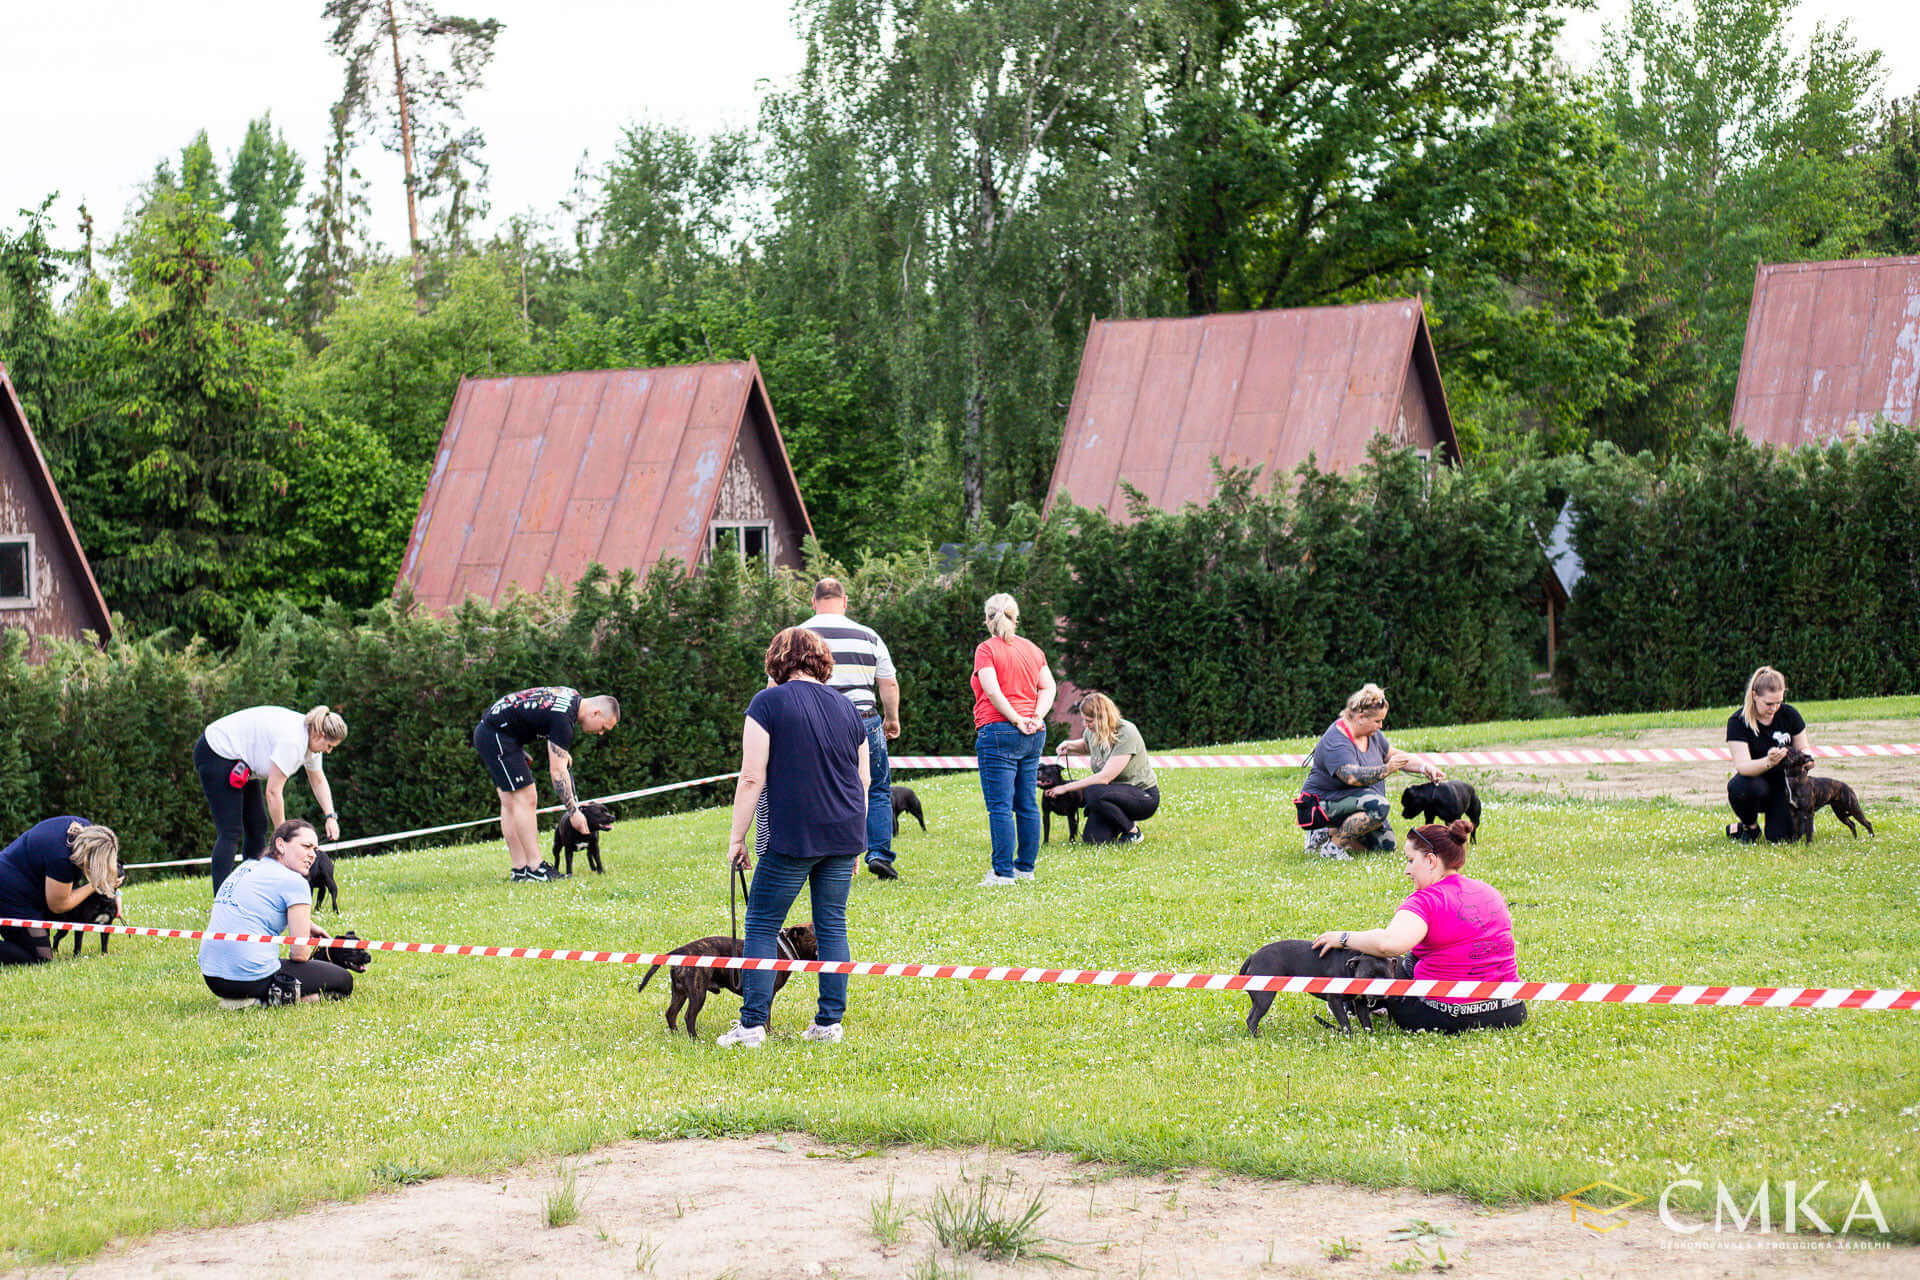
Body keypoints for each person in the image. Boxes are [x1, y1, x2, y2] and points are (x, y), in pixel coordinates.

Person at [718, 627, 868, 1048]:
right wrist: (856, 841)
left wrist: (737, 838)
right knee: (832, 924)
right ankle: (829, 1024)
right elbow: (864, 778)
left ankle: (751, 1026)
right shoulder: (847, 707)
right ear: (820, 662)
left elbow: (751, 776)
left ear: (777, 661)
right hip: (845, 830)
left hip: (794, 834)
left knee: (762, 923)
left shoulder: (766, 703)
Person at [1311, 818, 1525, 1033]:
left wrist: (1344, 938)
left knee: (1379, 958)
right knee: (1410, 961)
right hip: (1510, 1009)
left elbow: (1389, 944)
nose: (1406, 869)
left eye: (1411, 860)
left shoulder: (1426, 900)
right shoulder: (1489, 891)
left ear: (1431, 861)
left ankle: (1359, 1001)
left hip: (1447, 1015)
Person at [798, 576, 904, 880]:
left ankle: (818, 853)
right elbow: (888, 682)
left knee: (816, 786)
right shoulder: (868, 636)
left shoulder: (800, 635)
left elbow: (776, 683)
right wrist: (891, 719)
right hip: (864, 718)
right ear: (845, 602)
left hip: (815, 719)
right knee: (878, 787)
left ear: (814, 602)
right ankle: (880, 853)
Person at [473, 687, 621, 883]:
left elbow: (536, 714)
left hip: (494, 732)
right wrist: (574, 812)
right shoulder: (564, 721)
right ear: (596, 713)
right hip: (498, 736)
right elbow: (558, 772)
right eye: (603, 727)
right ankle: (535, 868)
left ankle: (520, 870)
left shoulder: (572, 697)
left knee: (510, 802)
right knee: (527, 797)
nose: (601, 733)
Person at [199, 819, 353, 1006]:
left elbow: (251, 907)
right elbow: (299, 954)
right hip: (249, 978)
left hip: (213, 976)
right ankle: (265, 1001)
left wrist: (308, 925)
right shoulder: (295, 882)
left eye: (315, 849)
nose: (312, 855)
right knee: (343, 980)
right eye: (306, 846)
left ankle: (245, 998)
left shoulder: (247, 867)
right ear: (281, 845)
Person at [195, 705, 348, 892]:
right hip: (217, 751)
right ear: (320, 735)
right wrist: (284, 838)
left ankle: (249, 890)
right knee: (231, 831)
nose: (329, 751)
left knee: (257, 826)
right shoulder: (294, 741)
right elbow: (273, 792)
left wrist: (330, 817)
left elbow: (317, 780)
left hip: (243, 761)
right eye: (329, 746)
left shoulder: (312, 743)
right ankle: (222, 899)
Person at [1298, 683, 1444, 858]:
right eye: (1377, 721)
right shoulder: (1336, 740)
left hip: (1351, 802)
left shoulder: (1372, 735)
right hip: (1321, 804)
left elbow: (1392, 755)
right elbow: (1351, 777)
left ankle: (1330, 833)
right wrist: (1387, 769)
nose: (1381, 726)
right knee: (1378, 807)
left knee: (1386, 845)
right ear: (1360, 717)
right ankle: (1333, 846)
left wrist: (1424, 767)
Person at [972, 593, 1056, 885]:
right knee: (1027, 804)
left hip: (998, 731)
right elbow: (1048, 687)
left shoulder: (986, 650)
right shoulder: (1033, 649)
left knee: (1000, 806)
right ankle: (1026, 868)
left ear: (987, 619)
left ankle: (1002, 873)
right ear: (1015, 618)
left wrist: (1016, 719)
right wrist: (1036, 717)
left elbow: (993, 692)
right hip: (1033, 735)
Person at [0, 818, 121, 966]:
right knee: (38, 958)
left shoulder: (81, 827)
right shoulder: (62, 860)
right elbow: (58, 905)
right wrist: (96, 885)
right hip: (10, 892)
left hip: (21, 881)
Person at [1050, 691, 1159, 845]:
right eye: (1083, 721)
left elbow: (1104, 777)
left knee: (1092, 791)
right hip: (1113, 794)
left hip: (1143, 796)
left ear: (1103, 717)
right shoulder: (1092, 731)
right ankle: (1115, 818)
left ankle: (1133, 832)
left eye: (1089, 721)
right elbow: (1087, 746)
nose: (1085, 725)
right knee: (1093, 839)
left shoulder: (1126, 732)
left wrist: (1066, 787)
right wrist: (1069, 745)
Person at [1725, 665, 1810, 844]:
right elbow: (1743, 766)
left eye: (1779, 702)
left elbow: (1804, 749)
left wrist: (1807, 761)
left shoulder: (1790, 714)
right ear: (1755, 695)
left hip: (1785, 786)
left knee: (1782, 839)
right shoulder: (1737, 721)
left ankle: (1787, 820)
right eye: (1769, 703)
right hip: (1755, 783)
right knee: (1739, 787)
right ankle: (1750, 827)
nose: (1775, 708)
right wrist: (1768, 762)